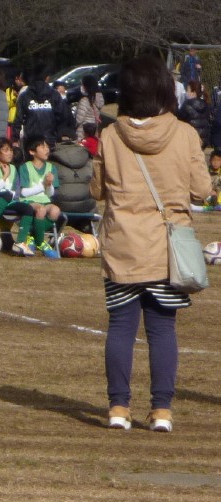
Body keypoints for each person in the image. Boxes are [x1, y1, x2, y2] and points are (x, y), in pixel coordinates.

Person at [90, 56, 210, 433]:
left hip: (122, 244)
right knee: (162, 329)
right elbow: (202, 190)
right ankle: (162, 410)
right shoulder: (184, 134)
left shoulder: (111, 135)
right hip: (167, 248)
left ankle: (118, 407)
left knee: (120, 327)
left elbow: (97, 190)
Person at [0, 137, 36, 252]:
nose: (10, 153)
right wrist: (5, 176)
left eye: (11, 150)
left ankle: (20, 243)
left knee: (27, 209)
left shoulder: (13, 168)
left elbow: (13, 191)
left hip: (5, 200)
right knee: (6, 194)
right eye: (6, 150)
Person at [18, 136, 61, 257]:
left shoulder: (51, 168)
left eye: (47, 147)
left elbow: (50, 194)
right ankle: (41, 242)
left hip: (45, 201)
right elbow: (23, 193)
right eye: (42, 147)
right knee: (41, 210)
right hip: (28, 201)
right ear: (32, 152)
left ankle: (33, 235)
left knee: (55, 211)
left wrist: (49, 184)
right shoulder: (25, 167)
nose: (47, 149)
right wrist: (43, 185)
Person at [178, 80, 211, 148]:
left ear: (193, 92)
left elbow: (178, 119)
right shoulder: (206, 104)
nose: (186, 93)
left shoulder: (187, 105)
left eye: (188, 90)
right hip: (204, 139)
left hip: (191, 139)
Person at [75, 75, 104, 140]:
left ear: (86, 86)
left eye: (82, 84)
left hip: (83, 133)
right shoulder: (98, 99)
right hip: (94, 131)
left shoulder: (84, 100)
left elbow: (79, 120)